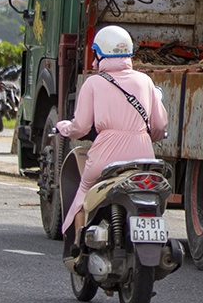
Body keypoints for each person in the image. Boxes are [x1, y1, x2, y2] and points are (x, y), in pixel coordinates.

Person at [55, 26, 168, 251]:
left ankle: (80, 250)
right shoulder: (145, 81)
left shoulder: (94, 83)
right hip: (143, 155)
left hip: (106, 156)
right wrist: (146, 138)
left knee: (84, 194)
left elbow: (81, 127)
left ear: (100, 53)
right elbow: (159, 125)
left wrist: (64, 127)